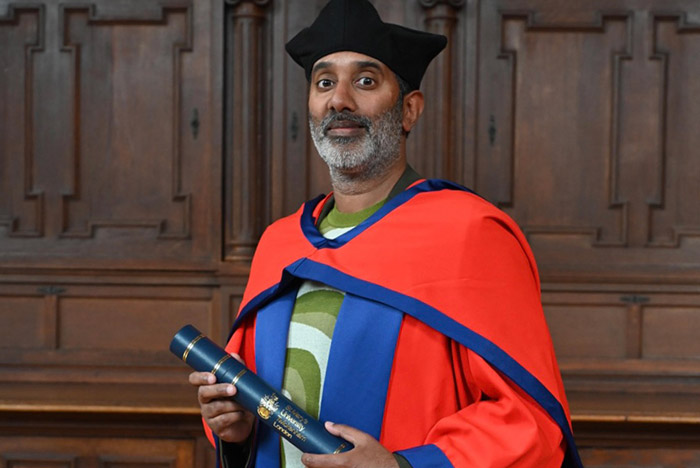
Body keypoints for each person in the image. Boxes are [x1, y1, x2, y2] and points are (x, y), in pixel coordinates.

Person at [189, 0, 584, 467]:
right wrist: (237, 431)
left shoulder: (469, 235)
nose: (339, 101)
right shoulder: (280, 243)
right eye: (324, 83)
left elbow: (526, 421)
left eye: (365, 81)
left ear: (409, 110)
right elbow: (262, 410)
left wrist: (403, 465)